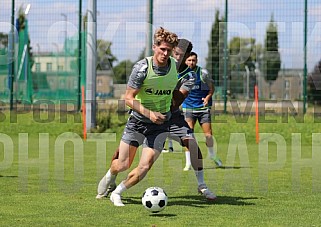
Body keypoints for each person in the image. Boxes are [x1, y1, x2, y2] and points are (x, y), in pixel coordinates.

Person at [97, 38, 217, 206]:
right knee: (123, 159)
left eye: (181, 55)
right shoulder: (155, 66)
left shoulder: (189, 76)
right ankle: (112, 176)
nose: (176, 57)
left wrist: (168, 85)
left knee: (193, 145)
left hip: (172, 116)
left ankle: (202, 185)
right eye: (174, 53)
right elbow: (133, 95)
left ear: (188, 56)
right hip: (144, 116)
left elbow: (176, 102)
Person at [96, 27, 179, 205]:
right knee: (123, 164)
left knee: (145, 165)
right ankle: (111, 175)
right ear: (154, 47)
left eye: (168, 50)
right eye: (162, 49)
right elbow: (128, 98)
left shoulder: (175, 68)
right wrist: (150, 113)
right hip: (137, 122)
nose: (165, 53)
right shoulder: (142, 68)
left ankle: (117, 193)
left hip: (160, 126)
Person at [182, 52, 222, 170]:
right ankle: (188, 162)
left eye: (193, 60)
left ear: (197, 61)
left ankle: (212, 155)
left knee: (208, 135)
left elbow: (211, 88)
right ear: (185, 61)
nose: (191, 62)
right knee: (188, 136)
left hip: (202, 108)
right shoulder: (181, 74)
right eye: (189, 60)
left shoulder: (203, 73)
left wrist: (208, 97)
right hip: (188, 108)